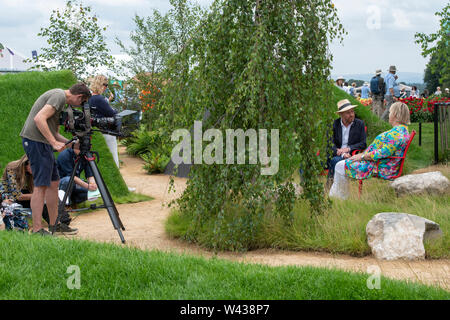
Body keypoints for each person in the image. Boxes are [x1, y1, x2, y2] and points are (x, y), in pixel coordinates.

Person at [20, 83, 91, 235]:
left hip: (42, 143)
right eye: (82, 102)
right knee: (41, 186)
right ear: (79, 97)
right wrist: (53, 142)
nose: (81, 105)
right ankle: (38, 229)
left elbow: (54, 132)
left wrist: (72, 143)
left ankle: (55, 225)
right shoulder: (59, 96)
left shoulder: (61, 103)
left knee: (53, 183)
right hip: (36, 142)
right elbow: (39, 119)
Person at [329, 102, 411, 200]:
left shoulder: (396, 134)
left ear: (395, 115)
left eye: (390, 112)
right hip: (379, 163)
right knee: (340, 165)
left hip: (380, 166)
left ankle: (338, 199)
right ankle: (337, 198)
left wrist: (362, 156)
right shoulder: (401, 131)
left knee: (339, 166)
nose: (389, 115)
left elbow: (383, 153)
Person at [1, 155, 73, 230]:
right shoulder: (12, 168)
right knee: (42, 197)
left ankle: (61, 219)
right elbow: (17, 196)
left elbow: (35, 190)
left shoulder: (32, 173)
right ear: (27, 163)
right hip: (9, 195)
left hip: (25, 194)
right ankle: (57, 221)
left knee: (47, 196)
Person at [327, 99, 367, 185]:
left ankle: (329, 188)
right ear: (341, 114)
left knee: (335, 161)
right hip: (334, 154)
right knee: (308, 162)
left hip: (351, 155)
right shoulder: (334, 124)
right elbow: (330, 143)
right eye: (348, 113)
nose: (352, 115)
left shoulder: (359, 124)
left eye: (352, 112)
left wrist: (348, 149)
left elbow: (363, 143)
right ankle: (305, 190)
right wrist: (341, 153)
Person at [89, 75, 120, 168]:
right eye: (105, 84)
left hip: (96, 130)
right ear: (101, 85)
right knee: (113, 158)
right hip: (106, 131)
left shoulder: (89, 98)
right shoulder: (99, 98)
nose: (106, 87)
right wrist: (115, 110)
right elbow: (112, 113)